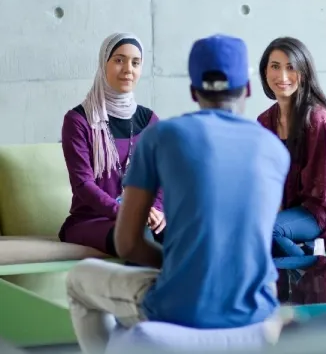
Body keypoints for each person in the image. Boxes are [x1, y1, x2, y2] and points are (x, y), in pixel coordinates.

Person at [65, 34, 289, 354]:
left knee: (78, 281)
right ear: (250, 88)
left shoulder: (160, 135)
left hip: (176, 306)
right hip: (258, 312)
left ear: (193, 91)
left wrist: (177, 264)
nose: (128, 68)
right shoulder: (274, 149)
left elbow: (128, 243)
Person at [257, 37, 326, 303]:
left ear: (304, 72)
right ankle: (294, 287)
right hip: (288, 210)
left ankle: (321, 269)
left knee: (268, 230)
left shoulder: (318, 119)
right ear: (265, 71)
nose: (282, 76)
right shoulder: (265, 121)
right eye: (275, 67)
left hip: (321, 209)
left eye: (290, 67)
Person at [59, 33, 165, 256]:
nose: (128, 69)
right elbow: (83, 184)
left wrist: (155, 209)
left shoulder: (149, 120)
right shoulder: (78, 120)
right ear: (103, 63)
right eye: (119, 60)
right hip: (91, 220)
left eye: (135, 62)